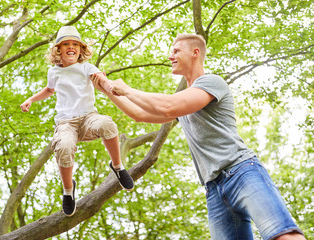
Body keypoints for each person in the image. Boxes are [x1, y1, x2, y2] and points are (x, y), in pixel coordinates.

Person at [92, 34, 306, 240]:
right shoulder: (181, 99)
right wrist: (106, 89)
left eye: (176, 50)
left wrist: (127, 89)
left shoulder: (212, 82)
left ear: (195, 53)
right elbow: (138, 114)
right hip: (213, 189)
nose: (170, 56)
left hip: (241, 172)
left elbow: (167, 107)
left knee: (283, 235)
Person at [20, 26, 134, 217]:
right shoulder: (54, 72)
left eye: (75, 44)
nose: (71, 47)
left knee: (107, 124)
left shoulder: (86, 67)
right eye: (66, 44)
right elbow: (49, 90)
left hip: (89, 116)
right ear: (58, 50)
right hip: (66, 123)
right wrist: (31, 99)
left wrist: (110, 86)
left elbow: (100, 79)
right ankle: (68, 189)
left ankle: (117, 166)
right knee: (63, 146)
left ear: (81, 49)